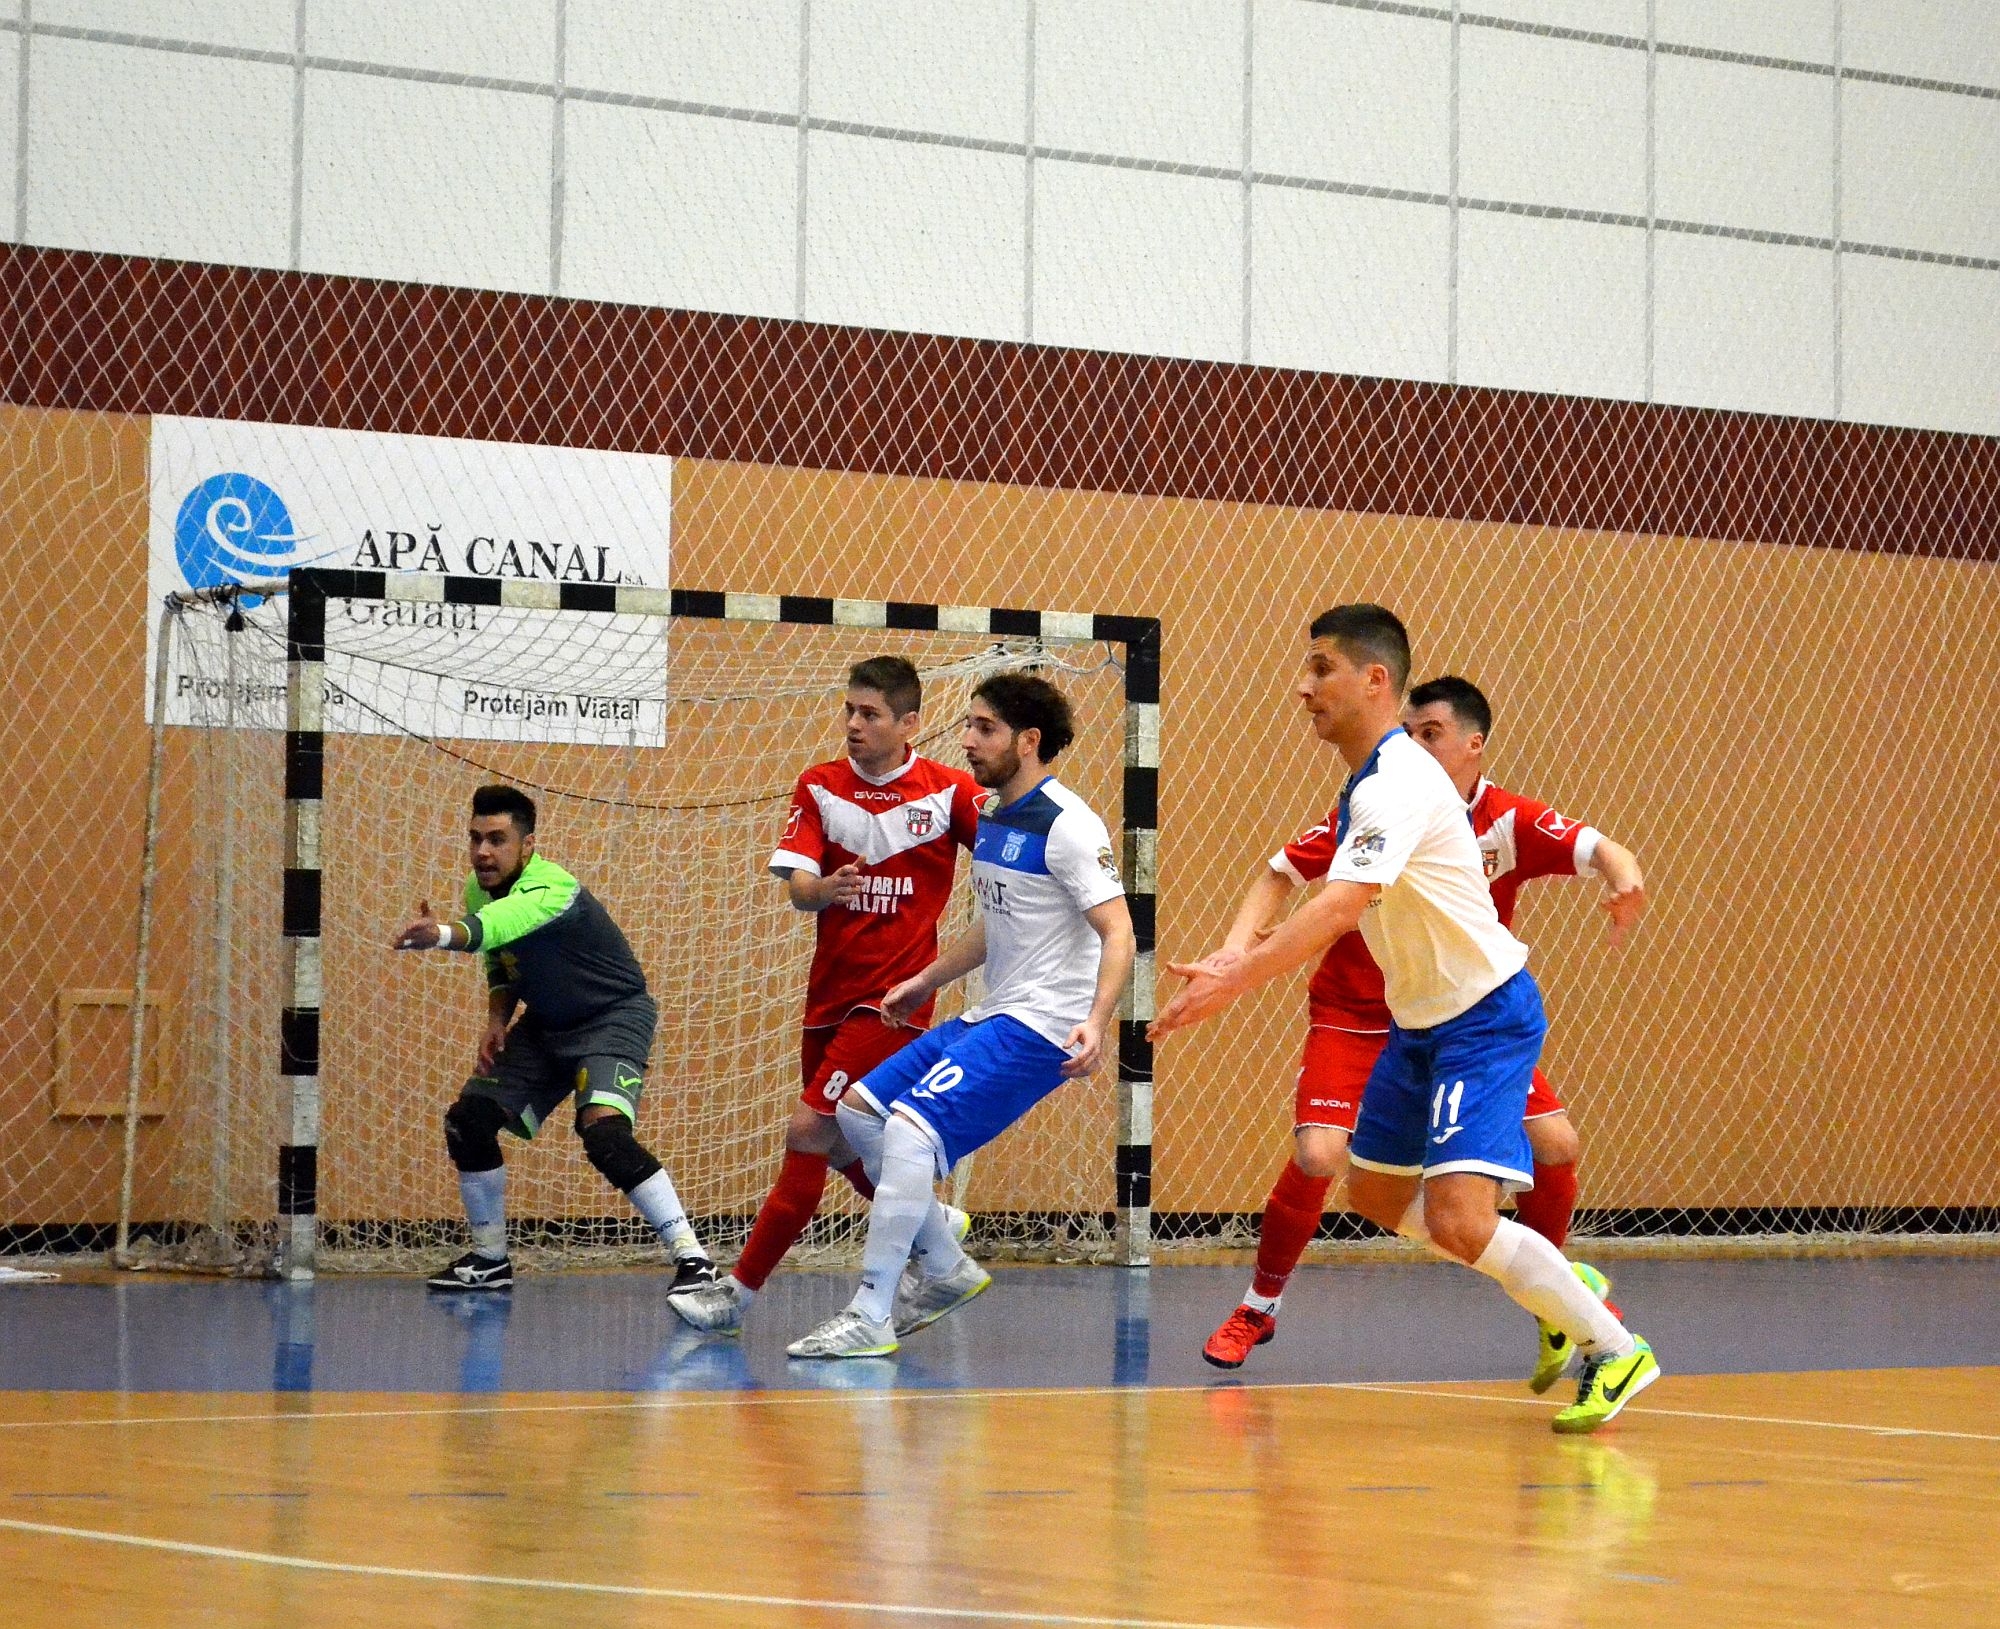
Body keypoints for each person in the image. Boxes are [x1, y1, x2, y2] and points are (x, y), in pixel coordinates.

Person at [1152, 607, 1658, 1434]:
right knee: (1378, 1193)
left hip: (1482, 1017)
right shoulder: (1368, 782)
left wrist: (1235, 977)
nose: (1302, 687)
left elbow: (1345, 903)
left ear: (1374, 680)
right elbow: (1322, 892)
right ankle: (1555, 1281)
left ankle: (1610, 1343)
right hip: (1415, 1021)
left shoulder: (1396, 783)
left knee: (1462, 1216)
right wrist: (1239, 952)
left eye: (1321, 669)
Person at [787, 672, 1135, 1358]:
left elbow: (1119, 931)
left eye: (985, 728)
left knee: (912, 1130)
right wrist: (925, 978)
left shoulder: (1068, 824)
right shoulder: (997, 815)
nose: (968, 740)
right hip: (993, 1011)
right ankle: (945, 1264)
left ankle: (871, 1310)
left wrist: (1096, 1021)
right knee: (857, 1112)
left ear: (1028, 741)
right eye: (969, 726)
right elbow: (994, 925)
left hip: (1039, 1027)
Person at [672, 656, 982, 1333]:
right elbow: (799, 889)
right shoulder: (820, 785)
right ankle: (937, 1234)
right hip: (828, 998)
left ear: (909, 724)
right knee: (844, 1145)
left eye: (869, 713)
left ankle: (738, 1293)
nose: (853, 723)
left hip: (894, 1000)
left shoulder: (948, 792)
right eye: (849, 710)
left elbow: (1010, 851)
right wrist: (825, 889)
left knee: (810, 1128)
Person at [393, 784, 714, 1295]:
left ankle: (695, 1261)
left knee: (604, 1135)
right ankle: (490, 1259)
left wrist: (443, 935)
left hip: (611, 1017)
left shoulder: (551, 889)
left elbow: (497, 925)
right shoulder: (478, 889)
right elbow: (501, 960)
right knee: (468, 1121)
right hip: (545, 1026)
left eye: (497, 839)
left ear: (528, 845)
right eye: (475, 838)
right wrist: (497, 1018)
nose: (482, 851)